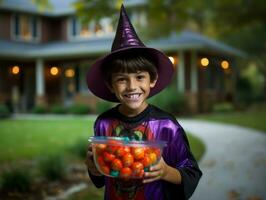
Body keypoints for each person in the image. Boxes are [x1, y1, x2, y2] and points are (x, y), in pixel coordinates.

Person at [85, 4, 202, 200]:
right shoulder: (104, 123)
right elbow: (101, 176)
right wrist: (94, 168)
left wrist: (166, 172)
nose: (132, 86)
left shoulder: (167, 125)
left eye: (140, 77)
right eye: (122, 79)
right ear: (111, 85)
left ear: (152, 80)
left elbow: (191, 173)